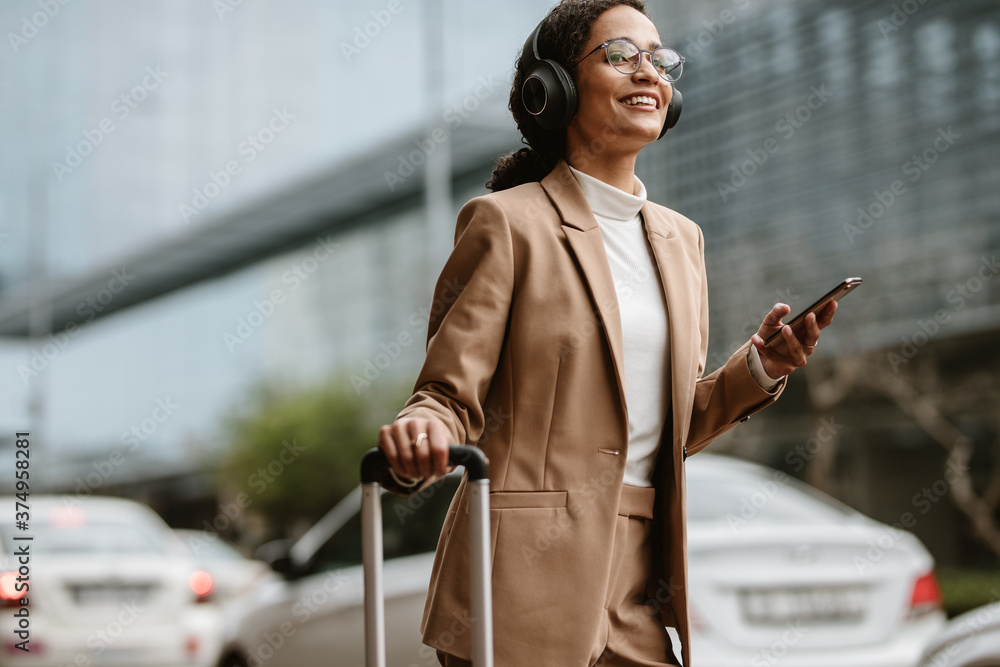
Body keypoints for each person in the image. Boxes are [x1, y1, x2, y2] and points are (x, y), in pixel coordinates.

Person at [375, 1, 837, 665]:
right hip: (520, 582)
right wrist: (422, 430)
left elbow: (659, 430)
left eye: (660, 60)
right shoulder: (507, 224)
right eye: (621, 56)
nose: (648, 72)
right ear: (556, 87)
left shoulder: (682, 241)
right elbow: (449, 392)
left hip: (641, 584)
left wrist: (758, 369)